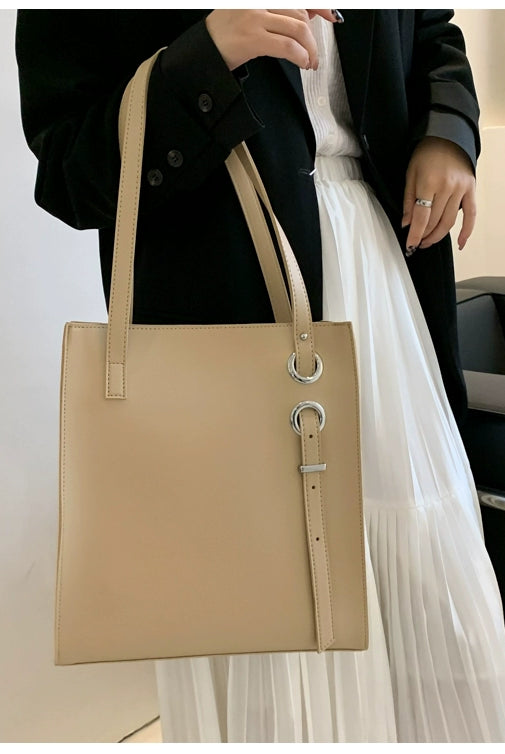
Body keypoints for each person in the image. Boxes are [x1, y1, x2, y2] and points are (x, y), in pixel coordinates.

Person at [16, 9, 505, 743]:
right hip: (226, 304)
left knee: (426, 586)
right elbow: (68, 169)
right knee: (262, 598)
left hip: (383, 276)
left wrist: (449, 132)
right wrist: (203, 60)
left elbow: (431, 31)